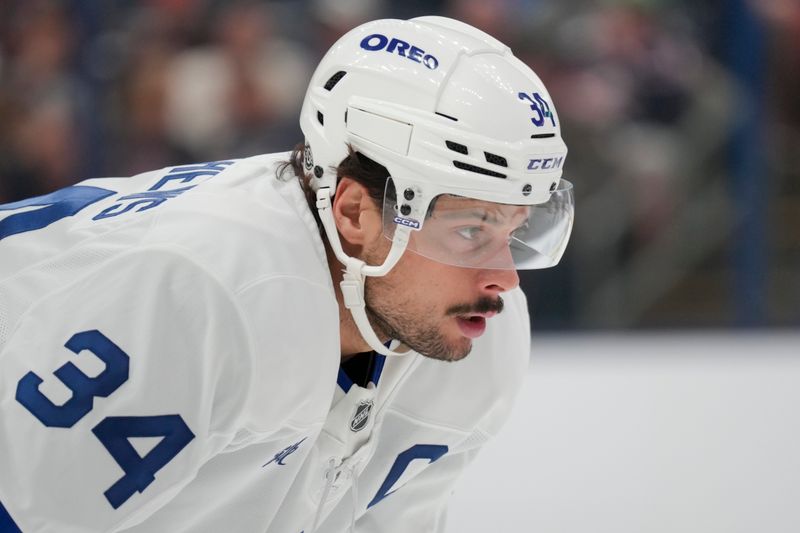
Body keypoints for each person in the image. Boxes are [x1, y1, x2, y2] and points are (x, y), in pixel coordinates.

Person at [0, 16, 573, 533]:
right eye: (471, 231)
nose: (506, 280)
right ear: (354, 212)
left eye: (514, 230)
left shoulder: (473, 338)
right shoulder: (207, 290)